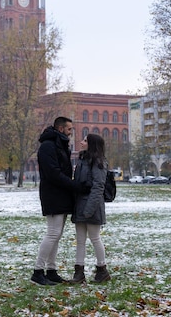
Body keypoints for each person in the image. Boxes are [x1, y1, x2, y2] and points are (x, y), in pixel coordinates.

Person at [30, 116, 77, 286]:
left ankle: (51, 270)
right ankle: (38, 271)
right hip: (53, 194)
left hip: (61, 193)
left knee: (56, 235)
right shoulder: (48, 146)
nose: (71, 132)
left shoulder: (59, 144)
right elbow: (53, 173)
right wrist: (72, 185)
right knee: (52, 234)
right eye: (69, 129)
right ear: (60, 128)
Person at [70, 134, 111, 283]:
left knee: (95, 238)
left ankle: (102, 270)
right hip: (80, 204)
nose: (81, 142)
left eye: (85, 141)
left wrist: (89, 209)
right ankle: (79, 272)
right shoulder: (82, 160)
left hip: (92, 206)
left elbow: (98, 186)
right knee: (80, 240)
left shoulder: (98, 162)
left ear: (92, 144)